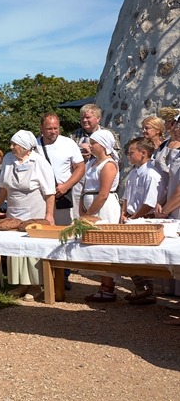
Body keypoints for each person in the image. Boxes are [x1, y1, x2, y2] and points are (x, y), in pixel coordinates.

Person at [0, 130, 55, 301]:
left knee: (31, 249)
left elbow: (50, 192)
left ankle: (36, 285)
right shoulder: (8, 159)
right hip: (14, 209)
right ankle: (22, 283)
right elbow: (3, 187)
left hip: (34, 209)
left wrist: (49, 214)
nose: (11, 147)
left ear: (25, 147)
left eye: (15, 144)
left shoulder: (39, 162)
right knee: (16, 249)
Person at [81, 130, 122, 303]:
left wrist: (89, 214)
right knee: (95, 245)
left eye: (94, 143)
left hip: (104, 208)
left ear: (103, 145)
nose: (90, 146)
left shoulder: (109, 164)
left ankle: (107, 288)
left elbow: (103, 193)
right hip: (91, 205)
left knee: (105, 244)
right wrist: (82, 210)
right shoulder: (93, 163)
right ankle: (104, 285)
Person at [120, 137, 162, 306]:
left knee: (141, 258)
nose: (129, 156)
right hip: (131, 218)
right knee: (126, 256)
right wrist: (123, 213)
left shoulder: (151, 174)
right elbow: (126, 196)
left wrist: (135, 217)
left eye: (131, 153)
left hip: (143, 219)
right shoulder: (133, 172)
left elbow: (149, 203)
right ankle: (142, 287)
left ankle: (148, 289)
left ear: (143, 153)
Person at [35, 113, 85, 225]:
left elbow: (80, 168)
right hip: (41, 197)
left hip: (62, 195)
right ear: (41, 128)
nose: (53, 132)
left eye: (55, 128)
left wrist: (66, 186)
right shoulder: (34, 146)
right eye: (49, 129)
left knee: (65, 230)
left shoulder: (68, 143)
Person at [69, 103, 119, 211]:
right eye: (82, 118)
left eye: (88, 117)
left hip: (100, 177)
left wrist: (94, 153)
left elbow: (117, 155)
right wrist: (79, 153)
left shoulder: (109, 134)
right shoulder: (73, 136)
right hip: (80, 178)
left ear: (98, 118)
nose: (85, 120)